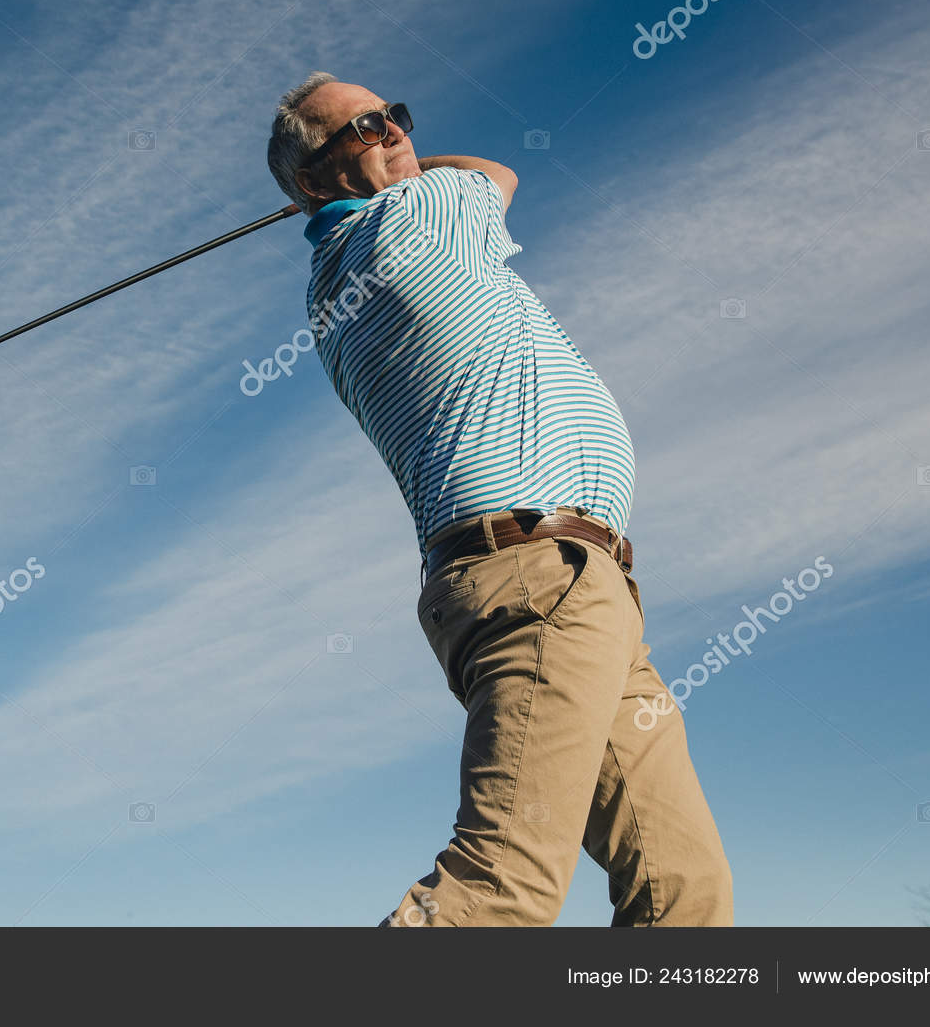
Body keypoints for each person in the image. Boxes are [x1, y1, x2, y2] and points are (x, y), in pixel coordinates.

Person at [264, 73, 733, 926]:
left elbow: (454, 178)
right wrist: (412, 167)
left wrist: (371, 162)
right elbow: (497, 172)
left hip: (575, 586)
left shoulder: (341, 274)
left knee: (683, 890)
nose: (393, 132)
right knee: (501, 886)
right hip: (537, 575)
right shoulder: (414, 218)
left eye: (395, 116)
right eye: (363, 128)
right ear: (312, 179)